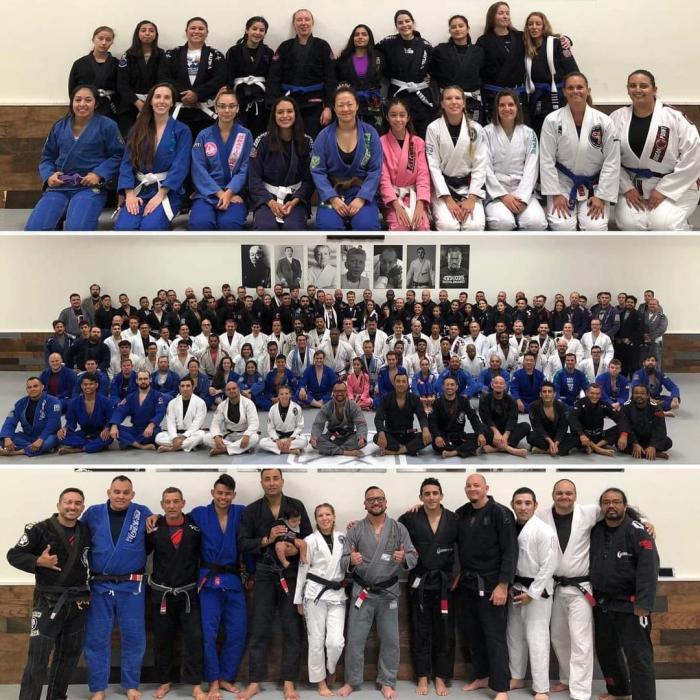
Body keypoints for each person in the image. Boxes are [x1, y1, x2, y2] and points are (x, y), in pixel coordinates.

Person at [7, 487, 91, 700]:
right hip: (47, 601)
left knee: (68, 657)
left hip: (78, 602)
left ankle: (56, 697)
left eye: (77, 503)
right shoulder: (40, 529)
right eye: (68, 502)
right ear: (59, 504)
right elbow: (14, 555)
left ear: (82, 507)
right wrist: (38, 561)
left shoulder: (86, 530)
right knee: (38, 657)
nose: (72, 507)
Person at [238, 469, 313, 700]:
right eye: (267, 479)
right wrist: (267, 540)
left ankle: (289, 682)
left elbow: (309, 537)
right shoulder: (252, 510)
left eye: (275, 478)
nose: (271, 483)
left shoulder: (296, 505)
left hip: (291, 574)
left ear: (282, 481)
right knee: (259, 627)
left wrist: (296, 548)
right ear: (261, 482)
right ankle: (254, 682)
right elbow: (242, 543)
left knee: (292, 627)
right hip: (264, 573)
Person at [338, 486, 417, 699]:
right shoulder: (355, 529)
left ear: (386, 502)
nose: (376, 502)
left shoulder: (399, 528)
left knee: (391, 640)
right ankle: (352, 681)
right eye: (371, 499)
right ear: (364, 504)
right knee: (355, 639)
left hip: (388, 592)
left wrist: (404, 558)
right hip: (362, 592)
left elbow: (413, 555)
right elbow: (343, 560)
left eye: (379, 498)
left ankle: (387, 682)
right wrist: (351, 561)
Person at [82, 475, 152, 700]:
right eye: (117, 491)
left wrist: (158, 518)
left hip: (132, 585)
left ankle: (131, 685)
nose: (121, 496)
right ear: (109, 492)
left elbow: (154, 536)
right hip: (99, 585)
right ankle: (98, 688)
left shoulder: (142, 513)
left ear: (132, 494)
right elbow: (80, 543)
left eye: (125, 492)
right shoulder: (93, 513)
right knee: (96, 637)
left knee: (134, 636)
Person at [591, 488, 659, 700]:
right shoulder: (596, 530)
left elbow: (649, 569)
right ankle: (619, 691)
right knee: (606, 651)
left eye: (616, 501)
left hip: (631, 606)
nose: (611, 505)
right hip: (603, 604)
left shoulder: (638, 531)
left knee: (638, 656)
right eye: (606, 502)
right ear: (601, 507)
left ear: (625, 505)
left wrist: (644, 604)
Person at [611, 69, 700, 231]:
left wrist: (663, 190)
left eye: (643, 86)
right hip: (634, 187)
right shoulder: (617, 117)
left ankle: (682, 225)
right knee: (629, 224)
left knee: (663, 224)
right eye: (632, 86)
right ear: (628, 89)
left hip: (676, 186)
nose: (637, 89)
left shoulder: (674, 117)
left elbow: (694, 155)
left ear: (654, 89)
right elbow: (610, 158)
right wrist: (626, 187)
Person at [26, 85, 124, 231]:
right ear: (72, 102)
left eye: (88, 100)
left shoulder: (107, 126)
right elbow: (47, 157)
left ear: (96, 104)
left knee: (79, 229)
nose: (82, 104)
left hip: (89, 188)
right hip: (60, 187)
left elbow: (118, 155)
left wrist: (98, 174)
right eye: (78, 100)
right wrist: (49, 176)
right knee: (36, 229)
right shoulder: (59, 127)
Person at [455, 474, 517, 700]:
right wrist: (419, 508)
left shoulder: (501, 513)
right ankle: (482, 676)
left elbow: (510, 551)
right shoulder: (462, 513)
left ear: (486, 488)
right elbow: (442, 521)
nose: (472, 489)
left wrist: (503, 585)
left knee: (494, 636)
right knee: (474, 634)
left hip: (492, 584)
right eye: (469, 486)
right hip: (468, 584)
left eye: (476, 485)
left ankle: (501, 687)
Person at [537, 479, 599, 700]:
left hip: (580, 588)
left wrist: (645, 522)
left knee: (581, 639)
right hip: (555, 587)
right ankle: (567, 679)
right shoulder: (542, 517)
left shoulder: (589, 513)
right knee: (559, 637)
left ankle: (580, 691)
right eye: (560, 493)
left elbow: (619, 510)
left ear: (575, 495)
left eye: (569, 493)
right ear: (553, 494)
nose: (564, 497)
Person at [396, 479, 458, 696]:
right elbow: (390, 531)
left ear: (441, 495)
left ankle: (441, 677)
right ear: (421, 497)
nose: (431, 497)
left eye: (435, 493)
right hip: (420, 583)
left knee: (445, 632)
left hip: (444, 585)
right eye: (427, 493)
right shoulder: (410, 518)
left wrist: (455, 578)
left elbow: (462, 549)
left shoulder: (454, 519)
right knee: (419, 631)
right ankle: (422, 676)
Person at [540, 72, 621, 231]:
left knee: (595, 227)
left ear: (588, 91)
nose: (575, 91)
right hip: (562, 184)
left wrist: (601, 196)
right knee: (562, 225)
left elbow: (612, 160)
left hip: (594, 186)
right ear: (564, 92)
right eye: (570, 88)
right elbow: (546, 159)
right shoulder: (552, 120)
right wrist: (555, 193)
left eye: (580, 87)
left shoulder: (604, 122)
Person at [146, 488, 205, 700]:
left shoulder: (195, 528)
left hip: (188, 594)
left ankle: (195, 684)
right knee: (162, 639)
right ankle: (164, 681)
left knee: (194, 638)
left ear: (183, 503)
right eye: (168, 502)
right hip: (161, 594)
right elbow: (141, 553)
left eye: (176, 501)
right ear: (162, 505)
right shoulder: (153, 529)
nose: (172, 505)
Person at [115, 83, 192, 230]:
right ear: (150, 101)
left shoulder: (182, 130)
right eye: (157, 97)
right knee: (125, 227)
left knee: (151, 227)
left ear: (172, 103)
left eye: (166, 97)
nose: (161, 101)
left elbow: (180, 166)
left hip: (168, 191)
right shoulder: (137, 129)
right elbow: (126, 163)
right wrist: (129, 195)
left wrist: (161, 195)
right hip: (139, 189)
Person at [507, 487, 559, 700]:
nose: (523, 507)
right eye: (518, 503)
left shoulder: (543, 530)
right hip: (515, 588)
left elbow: (550, 565)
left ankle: (541, 687)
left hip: (537, 592)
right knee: (514, 635)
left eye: (527, 503)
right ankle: (517, 676)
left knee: (537, 638)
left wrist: (532, 592)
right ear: (512, 505)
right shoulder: (511, 527)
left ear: (535, 505)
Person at [294, 503, 348, 697]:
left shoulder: (343, 538)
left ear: (334, 516)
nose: (325, 518)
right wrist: (298, 600)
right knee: (316, 641)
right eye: (320, 515)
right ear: (315, 519)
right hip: (314, 595)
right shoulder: (309, 540)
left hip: (337, 594)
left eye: (328, 514)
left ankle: (331, 668)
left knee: (336, 642)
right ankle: (320, 682)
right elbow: (303, 570)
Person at [311, 86, 382, 231]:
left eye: (349, 104)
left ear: (357, 105)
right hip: (333, 192)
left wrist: (362, 197)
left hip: (361, 191)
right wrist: (332, 198)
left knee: (366, 226)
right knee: (327, 227)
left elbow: (375, 170)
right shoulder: (323, 136)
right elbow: (317, 171)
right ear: (334, 108)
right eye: (340, 105)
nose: (345, 109)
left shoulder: (370, 133)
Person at [189, 87, 253, 230]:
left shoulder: (245, 135)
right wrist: (219, 193)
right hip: (207, 193)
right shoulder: (203, 135)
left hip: (234, 193)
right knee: (200, 223)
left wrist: (229, 192)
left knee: (230, 224)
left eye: (232, 106)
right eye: (222, 106)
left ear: (238, 108)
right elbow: (198, 169)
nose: (227, 110)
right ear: (216, 108)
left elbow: (245, 168)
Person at [266, 9, 335, 140]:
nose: (303, 23)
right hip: (288, 104)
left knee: (313, 140)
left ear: (312, 23)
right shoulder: (285, 47)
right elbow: (273, 78)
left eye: (307, 19)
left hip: (315, 104)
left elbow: (330, 78)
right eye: (299, 20)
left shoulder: (322, 46)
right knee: (288, 140)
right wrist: (274, 106)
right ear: (294, 24)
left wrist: (329, 107)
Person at [483, 89, 547, 230]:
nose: (507, 109)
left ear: (518, 107)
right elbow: (485, 168)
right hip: (497, 193)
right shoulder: (486, 133)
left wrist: (522, 197)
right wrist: (503, 196)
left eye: (511, 105)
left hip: (523, 191)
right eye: (502, 105)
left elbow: (532, 168)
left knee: (536, 222)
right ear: (496, 108)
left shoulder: (529, 133)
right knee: (503, 222)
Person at [426, 86, 487, 230]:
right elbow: (433, 166)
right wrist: (448, 199)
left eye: (458, 98)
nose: (454, 102)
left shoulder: (476, 129)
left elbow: (480, 165)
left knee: (475, 226)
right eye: (448, 98)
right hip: (443, 189)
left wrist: (472, 198)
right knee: (448, 225)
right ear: (442, 104)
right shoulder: (433, 128)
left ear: (464, 103)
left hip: (469, 189)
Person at [248, 98, 314, 230]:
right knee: (265, 226)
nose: (285, 115)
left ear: (296, 114)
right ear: (274, 116)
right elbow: (254, 178)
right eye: (280, 112)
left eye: (289, 111)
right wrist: (270, 202)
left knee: (294, 227)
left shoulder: (307, 142)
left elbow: (309, 179)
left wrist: (295, 201)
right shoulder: (262, 141)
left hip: (295, 199)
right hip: (267, 199)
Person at [158, 16, 227, 139]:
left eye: (201, 29)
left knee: (204, 146)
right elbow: (163, 77)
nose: (197, 31)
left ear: (206, 32)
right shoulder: (172, 54)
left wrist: (197, 93)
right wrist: (184, 94)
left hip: (205, 113)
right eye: (193, 28)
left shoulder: (216, 55)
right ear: (186, 31)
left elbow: (220, 78)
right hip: (178, 111)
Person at [378, 10, 435, 139]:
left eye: (407, 21)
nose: (404, 25)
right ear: (396, 26)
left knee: (423, 133)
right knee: (397, 131)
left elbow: (434, 67)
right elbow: (374, 55)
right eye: (400, 23)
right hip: (398, 92)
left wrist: (429, 76)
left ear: (413, 23)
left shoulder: (425, 45)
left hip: (420, 94)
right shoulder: (388, 43)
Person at [523, 11, 579, 136]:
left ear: (544, 26)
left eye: (538, 24)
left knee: (560, 131)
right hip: (537, 97)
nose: (534, 27)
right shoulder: (525, 46)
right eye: (530, 24)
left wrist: (575, 94)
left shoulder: (557, 43)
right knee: (540, 131)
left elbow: (573, 72)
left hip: (557, 96)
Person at [379, 98, 431, 230]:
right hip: (392, 199)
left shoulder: (418, 143)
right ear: (387, 117)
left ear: (408, 117)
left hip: (414, 197)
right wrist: (396, 206)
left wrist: (420, 205)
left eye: (402, 115)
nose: (398, 119)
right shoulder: (381, 143)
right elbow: (383, 179)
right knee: (400, 226)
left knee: (422, 226)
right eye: (393, 115)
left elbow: (423, 176)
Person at [430, 15, 484, 122]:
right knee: (447, 131)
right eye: (453, 27)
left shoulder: (478, 51)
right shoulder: (440, 50)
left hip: (472, 102)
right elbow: (433, 73)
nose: (457, 29)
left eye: (461, 26)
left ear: (468, 28)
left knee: (473, 130)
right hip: (449, 102)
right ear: (449, 30)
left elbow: (483, 75)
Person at [226, 17, 274, 139]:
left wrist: (270, 102)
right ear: (247, 30)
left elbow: (271, 78)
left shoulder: (268, 53)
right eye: (254, 29)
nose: (258, 33)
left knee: (259, 134)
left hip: (260, 100)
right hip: (239, 99)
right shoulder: (234, 51)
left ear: (265, 33)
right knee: (238, 135)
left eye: (262, 30)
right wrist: (230, 100)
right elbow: (229, 76)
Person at [116, 20, 164, 135]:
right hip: (130, 105)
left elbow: (163, 80)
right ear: (137, 33)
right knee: (129, 137)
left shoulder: (161, 54)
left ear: (156, 35)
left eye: (151, 31)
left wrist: (149, 103)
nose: (147, 33)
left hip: (154, 104)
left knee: (153, 137)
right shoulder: (128, 55)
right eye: (143, 30)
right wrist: (137, 103)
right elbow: (122, 84)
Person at [335, 24, 384, 130]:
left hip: (373, 103)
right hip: (349, 104)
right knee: (351, 133)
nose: (360, 37)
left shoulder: (378, 57)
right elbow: (336, 80)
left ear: (369, 38)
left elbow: (389, 73)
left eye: (364, 34)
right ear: (352, 39)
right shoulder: (343, 59)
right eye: (357, 34)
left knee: (372, 135)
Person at [0, 376, 61, 457]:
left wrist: (41, 439)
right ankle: (39, 449)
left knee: (49, 442)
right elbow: (10, 421)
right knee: (3, 436)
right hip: (28, 437)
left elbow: (53, 424)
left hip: (47, 436)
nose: (32, 389)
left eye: (35, 386)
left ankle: (16, 452)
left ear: (42, 387)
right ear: (27, 389)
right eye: (29, 387)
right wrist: (7, 438)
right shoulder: (20, 403)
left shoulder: (53, 401)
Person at [374, 373, 431, 456]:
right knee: (376, 437)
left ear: (407, 384)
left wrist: (425, 429)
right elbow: (378, 418)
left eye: (404, 381)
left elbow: (422, 416)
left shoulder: (414, 399)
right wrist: (381, 433)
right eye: (398, 381)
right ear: (394, 383)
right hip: (391, 435)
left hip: (408, 435)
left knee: (430, 435)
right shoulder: (386, 398)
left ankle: (398, 450)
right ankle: (409, 448)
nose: (401, 384)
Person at [57, 372, 114, 455]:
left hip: (101, 433)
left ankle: (79, 449)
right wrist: (65, 429)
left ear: (96, 385)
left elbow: (111, 419)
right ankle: (92, 445)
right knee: (61, 437)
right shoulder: (74, 403)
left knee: (109, 437)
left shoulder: (105, 401)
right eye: (85, 384)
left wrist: (107, 428)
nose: (88, 387)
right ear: (81, 386)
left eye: (91, 384)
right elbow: (71, 423)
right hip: (84, 433)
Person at [429, 376, 486, 458]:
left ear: (456, 387)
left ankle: (453, 452)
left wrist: (480, 433)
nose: (449, 387)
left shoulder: (464, 401)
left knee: (479, 437)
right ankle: (466, 450)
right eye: (447, 385)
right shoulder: (437, 403)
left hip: (459, 436)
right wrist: (437, 436)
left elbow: (474, 418)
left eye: (452, 385)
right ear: (443, 387)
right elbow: (432, 422)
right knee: (436, 444)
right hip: (444, 436)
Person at [68, 26, 119, 118]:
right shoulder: (79, 63)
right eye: (100, 38)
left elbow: (122, 88)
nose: (104, 42)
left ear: (112, 42)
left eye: (108, 40)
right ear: (93, 39)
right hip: (84, 107)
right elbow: (72, 89)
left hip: (109, 108)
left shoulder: (117, 64)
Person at [109, 370, 167, 450]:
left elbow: (160, 413)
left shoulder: (158, 396)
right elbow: (120, 411)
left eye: (145, 379)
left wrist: (151, 425)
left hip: (150, 429)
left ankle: (129, 442)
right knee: (112, 428)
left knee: (156, 433)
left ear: (150, 380)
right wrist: (114, 425)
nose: (143, 381)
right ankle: (140, 446)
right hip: (135, 429)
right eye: (140, 379)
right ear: (137, 381)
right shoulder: (130, 397)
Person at [310, 382, 368, 458]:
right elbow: (318, 424)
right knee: (317, 441)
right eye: (337, 391)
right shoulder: (326, 407)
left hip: (348, 436)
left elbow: (361, 424)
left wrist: (361, 437)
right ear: (333, 392)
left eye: (342, 391)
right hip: (332, 437)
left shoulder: (354, 406)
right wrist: (314, 437)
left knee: (362, 440)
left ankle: (331, 449)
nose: (339, 393)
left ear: (346, 392)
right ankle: (345, 451)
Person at [567, 384, 625, 457]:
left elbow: (620, 418)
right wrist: (581, 434)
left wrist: (624, 435)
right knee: (575, 430)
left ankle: (594, 447)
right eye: (592, 393)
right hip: (583, 437)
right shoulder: (579, 404)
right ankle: (598, 449)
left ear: (601, 394)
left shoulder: (604, 404)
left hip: (598, 436)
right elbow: (572, 418)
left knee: (619, 428)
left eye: (597, 394)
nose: (595, 396)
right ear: (587, 392)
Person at [479, 375, 530, 457]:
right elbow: (485, 418)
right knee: (481, 427)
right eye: (496, 383)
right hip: (491, 430)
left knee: (526, 426)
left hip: (506, 430)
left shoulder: (511, 400)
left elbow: (513, 419)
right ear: (492, 385)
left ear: (505, 386)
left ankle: (495, 449)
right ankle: (509, 448)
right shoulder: (485, 398)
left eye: (501, 383)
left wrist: (506, 435)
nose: (498, 385)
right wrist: (496, 432)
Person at [204, 380, 260, 456]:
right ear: (226, 392)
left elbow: (254, 423)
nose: (231, 391)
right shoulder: (222, 405)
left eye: (234, 388)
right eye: (229, 389)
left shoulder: (248, 403)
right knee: (206, 438)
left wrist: (247, 435)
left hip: (243, 435)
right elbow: (215, 424)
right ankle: (239, 448)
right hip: (228, 436)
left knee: (254, 437)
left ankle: (224, 449)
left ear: (238, 389)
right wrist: (216, 436)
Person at [153, 376, 207, 453]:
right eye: (182, 386)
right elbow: (170, 422)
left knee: (201, 435)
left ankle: (172, 448)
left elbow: (197, 423)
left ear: (193, 387)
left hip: (191, 434)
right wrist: (174, 437)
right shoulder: (172, 403)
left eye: (188, 386)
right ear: (179, 388)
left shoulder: (200, 403)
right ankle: (185, 445)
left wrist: (184, 436)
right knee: (158, 437)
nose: (185, 389)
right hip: (176, 434)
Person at [618, 385, 672, 460]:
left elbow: (660, 429)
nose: (639, 395)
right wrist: (635, 443)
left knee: (667, 442)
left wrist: (653, 446)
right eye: (636, 393)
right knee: (619, 441)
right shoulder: (625, 407)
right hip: (633, 437)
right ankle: (651, 453)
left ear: (648, 395)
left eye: (642, 393)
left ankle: (645, 451)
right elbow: (625, 425)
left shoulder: (656, 408)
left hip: (648, 438)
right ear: (632, 395)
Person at [527, 381, 576, 456]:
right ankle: (558, 450)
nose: (547, 394)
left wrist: (556, 443)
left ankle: (544, 450)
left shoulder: (562, 407)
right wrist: (550, 442)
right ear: (540, 394)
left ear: (554, 394)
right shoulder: (533, 407)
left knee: (575, 438)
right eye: (544, 392)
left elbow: (563, 428)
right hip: (543, 436)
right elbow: (537, 427)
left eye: (549, 392)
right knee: (531, 436)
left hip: (557, 435)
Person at [260, 385, 308, 455]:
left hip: (292, 438)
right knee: (262, 442)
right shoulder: (273, 409)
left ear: (290, 395)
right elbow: (270, 428)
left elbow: (300, 426)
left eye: (286, 394)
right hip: (278, 437)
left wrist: (290, 439)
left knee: (304, 442)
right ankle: (290, 450)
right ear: (278, 396)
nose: (284, 396)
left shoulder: (297, 408)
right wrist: (277, 440)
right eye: (281, 394)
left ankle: (279, 449)